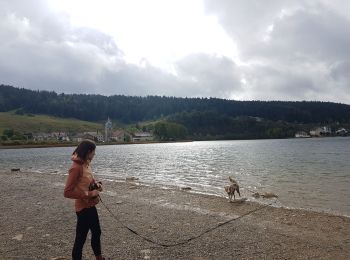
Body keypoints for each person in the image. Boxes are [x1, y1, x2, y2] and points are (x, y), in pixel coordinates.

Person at [64, 140, 105, 260]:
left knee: (97, 233)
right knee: (80, 239)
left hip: (91, 206)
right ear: (88, 152)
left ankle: (99, 258)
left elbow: (88, 181)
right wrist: (90, 193)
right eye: (94, 152)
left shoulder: (86, 164)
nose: (95, 155)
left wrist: (96, 184)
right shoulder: (76, 168)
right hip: (82, 209)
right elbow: (67, 192)